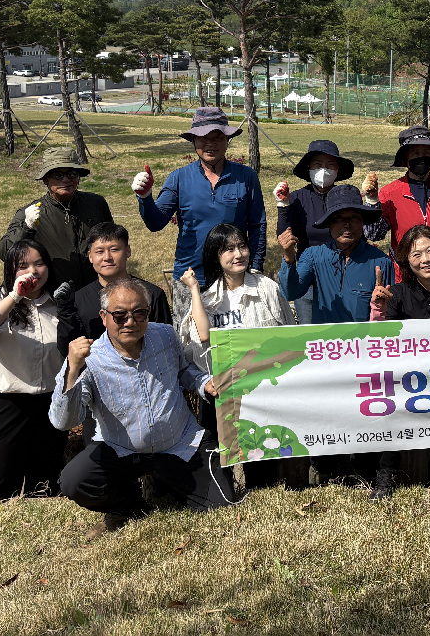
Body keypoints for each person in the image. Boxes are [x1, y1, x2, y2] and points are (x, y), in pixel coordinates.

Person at [51, 278, 232, 533]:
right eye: (119, 315)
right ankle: (130, 506)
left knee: (221, 505)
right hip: (120, 450)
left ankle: (167, 483)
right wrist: (72, 370)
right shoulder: (88, 359)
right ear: (104, 317)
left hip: (178, 444)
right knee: (74, 481)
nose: (130, 322)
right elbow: (62, 422)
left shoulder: (165, 335)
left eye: (139, 313)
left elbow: (184, 371)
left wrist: (204, 384)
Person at [180, 223, 295, 489]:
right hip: (222, 390)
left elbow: (289, 332)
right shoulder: (208, 298)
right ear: (215, 256)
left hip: (261, 386)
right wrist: (195, 290)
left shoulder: (267, 288)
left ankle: (263, 487)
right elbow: (204, 337)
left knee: (262, 460)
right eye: (228, 249)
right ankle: (224, 490)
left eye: (242, 246)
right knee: (217, 453)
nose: (238, 254)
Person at [132, 107, 267, 324]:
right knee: (190, 345)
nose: (210, 143)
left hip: (234, 276)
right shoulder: (179, 178)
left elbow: (258, 223)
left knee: (235, 341)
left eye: (217, 137)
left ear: (227, 140)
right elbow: (156, 223)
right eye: (203, 138)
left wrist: (256, 265)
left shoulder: (246, 176)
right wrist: (145, 197)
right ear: (193, 141)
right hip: (191, 277)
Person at [0, 240, 67, 500]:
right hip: (7, 402)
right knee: (1, 477)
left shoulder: (58, 303)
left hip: (50, 400)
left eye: (38, 263)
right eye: (22, 266)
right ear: (10, 270)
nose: (32, 271)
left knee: (44, 480)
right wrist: (15, 295)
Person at [367, 225, 430, 501]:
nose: (426, 259)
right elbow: (379, 341)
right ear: (406, 261)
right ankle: (386, 475)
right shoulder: (395, 293)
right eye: (416, 254)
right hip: (407, 378)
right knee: (392, 404)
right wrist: (379, 310)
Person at [274, 139, 384, 323]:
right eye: (318, 164)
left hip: (350, 274)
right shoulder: (298, 198)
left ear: (338, 169)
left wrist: (372, 200)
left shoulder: (347, 197)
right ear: (308, 166)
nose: (324, 169)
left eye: (330, 164)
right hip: (309, 276)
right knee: (313, 336)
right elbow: (285, 236)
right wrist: (283, 205)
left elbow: (371, 233)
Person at [0, 146, 113, 291]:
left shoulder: (96, 204)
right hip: (53, 297)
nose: (65, 179)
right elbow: (5, 253)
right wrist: (26, 228)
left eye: (72, 174)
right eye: (57, 175)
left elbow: (113, 242)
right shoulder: (31, 213)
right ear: (46, 179)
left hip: (96, 290)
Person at [279, 185, 394, 324]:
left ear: (363, 222)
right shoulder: (313, 256)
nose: (347, 225)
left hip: (364, 342)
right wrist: (289, 258)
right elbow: (291, 293)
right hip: (325, 342)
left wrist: (380, 306)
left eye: (354, 218)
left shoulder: (381, 262)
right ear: (329, 224)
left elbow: (390, 314)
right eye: (338, 218)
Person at [57, 223, 171, 357]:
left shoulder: (152, 294)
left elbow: (166, 341)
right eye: (99, 252)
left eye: (114, 249)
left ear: (128, 251)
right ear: (90, 256)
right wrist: (65, 311)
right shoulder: (77, 300)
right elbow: (68, 351)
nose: (107, 257)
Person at [363, 125, 430, 257]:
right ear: (406, 159)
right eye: (415, 153)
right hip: (403, 274)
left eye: (426, 152)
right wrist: (372, 200)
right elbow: (374, 235)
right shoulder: (390, 192)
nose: (422, 157)